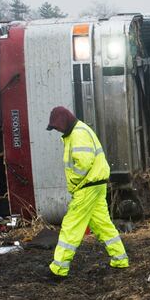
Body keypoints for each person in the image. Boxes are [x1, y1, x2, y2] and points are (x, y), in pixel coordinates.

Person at [46, 106, 129, 278]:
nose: (57, 130)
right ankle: (120, 259)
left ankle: (58, 269)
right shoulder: (80, 131)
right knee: (102, 224)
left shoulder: (77, 134)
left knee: (71, 225)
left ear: (64, 121)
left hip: (86, 187)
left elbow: (83, 164)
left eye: (57, 126)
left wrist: (75, 184)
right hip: (96, 185)